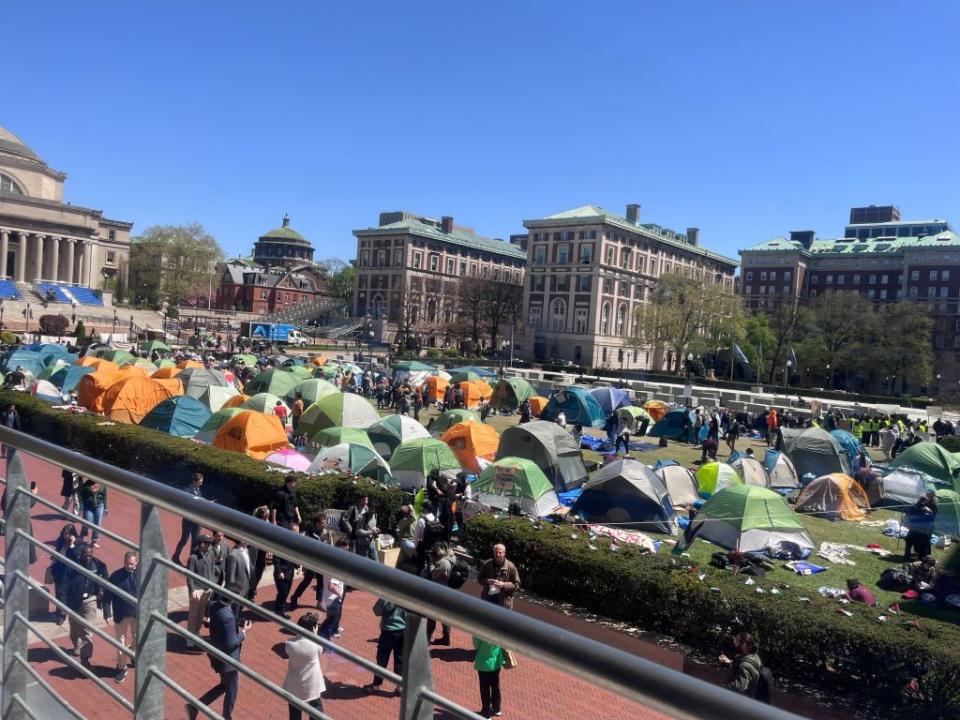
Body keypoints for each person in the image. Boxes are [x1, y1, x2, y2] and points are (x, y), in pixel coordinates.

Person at [187, 594, 251, 720]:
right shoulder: (228, 617)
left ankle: (194, 707)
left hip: (217, 654)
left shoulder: (215, 606)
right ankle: (226, 717)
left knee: (223, 686)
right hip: (229, 660)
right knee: (232, 691)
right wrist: (243, 633)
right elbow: (230, 643)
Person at [65, 542, 108, 665]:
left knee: (87, 631)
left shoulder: (98, 565)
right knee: (74, 630)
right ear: (81, 555)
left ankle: (85, 659)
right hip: (74, 601)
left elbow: (106, 579)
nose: (88, 557)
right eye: (85, 555)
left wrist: (101, 591)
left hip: (90, 601)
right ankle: (77, 645)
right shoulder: (73, 566)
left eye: (90, 555)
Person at [103, 551, 140, 683]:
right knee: (120, 643)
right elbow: (106, 596)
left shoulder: (141, 575)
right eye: (126, 563)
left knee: (138, 639)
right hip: (121, 615)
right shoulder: (115, 576)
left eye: (131, 564)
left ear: (136, 562)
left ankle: (132, 652)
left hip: (137, 615)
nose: (128, 566)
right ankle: (121, 668)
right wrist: (107, 613)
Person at [283, 612, 326, 719]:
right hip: (312, 683)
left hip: (294, 683)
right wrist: (315, 635)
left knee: (294, 712)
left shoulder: (290, 644)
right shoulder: (314, 645)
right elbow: (320, 651)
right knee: (316, 707)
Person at [290, 514, 334, 608]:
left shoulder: (327, 533)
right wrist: (304, 564)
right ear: (317, 524)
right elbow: (305, 549)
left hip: (321, 562)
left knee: (321, 581)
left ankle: (320, 601)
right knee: (307, 580)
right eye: (322, 523)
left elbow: (331, 547)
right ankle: (294, 597)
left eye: (325, 522)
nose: (324, 524)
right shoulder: (309, 533)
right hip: (311, 561)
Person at [364, 598, 405, 695]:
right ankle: (400, 687)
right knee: (400, 659)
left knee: (382, 659)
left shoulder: (388, 594)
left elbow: (376, 611)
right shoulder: (406, 593)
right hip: (403, 630)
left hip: (388, 631)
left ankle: (376, 685)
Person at [186, 535, 217, 650]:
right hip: (197, 590)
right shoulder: (193, 558)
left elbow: (213, 568)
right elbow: (189, 575)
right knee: (193, 615)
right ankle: (189, 640)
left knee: (201, 613)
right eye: (208, 543)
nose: (210, 545)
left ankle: (196, 633)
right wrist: (192, 590)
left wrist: (212, 583)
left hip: (207, 588)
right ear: (202, 544)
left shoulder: (211, 554)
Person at [318, 539, 349, 639]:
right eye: (345, 550)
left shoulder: (332, 560)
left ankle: (333, 629)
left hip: (331, 597)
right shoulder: (335, 564)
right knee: (329, 621)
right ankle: (324, 639)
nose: (346, 552)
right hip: (334, 597)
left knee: (331, 618)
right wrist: (339, 594)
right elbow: (331, 585)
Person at [425, 542, 455, 645]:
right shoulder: (452, 558)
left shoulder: (443, 562)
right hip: (446, 591)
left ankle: (427, 637)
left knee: (431, 615)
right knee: (444, 615)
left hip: (439, 591)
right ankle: (446, 637)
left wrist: (431, 563)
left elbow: (433, 575)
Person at [173, 472, 205, 565]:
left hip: (197, 521)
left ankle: (191, 562)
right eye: (200, 482)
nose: (201, 484)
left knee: (195, 542)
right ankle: (175, 556)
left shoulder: (198, 489)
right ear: (194, 481)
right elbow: (185, 500)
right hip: (188, 520)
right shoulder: (187, 490)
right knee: (184, 540)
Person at [51, 523, 80, 625]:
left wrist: (72, 545)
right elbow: (57, 553)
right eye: (64, 534)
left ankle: (68, 611)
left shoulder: (78, 543)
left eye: (68, 534)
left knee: (69, 594)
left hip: (72, 573)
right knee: (60, 594)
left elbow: (77, 558)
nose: (66, 536)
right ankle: (60, 615)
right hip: (60, 572)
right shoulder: (61, 541)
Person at [720, 632, 763, 697]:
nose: (734, 641)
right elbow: (742, 664)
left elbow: (740, 686)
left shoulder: (745, 665)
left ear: (744, 644)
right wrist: (729, 662)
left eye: (737, 640)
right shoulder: (754, 656)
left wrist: (722, 688)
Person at [473, 635, 507, 718]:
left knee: (484, 689)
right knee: (495, 687)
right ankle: (497, 709)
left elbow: (476, 645)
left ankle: (486, 711)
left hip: (484, 665)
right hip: (496, 663)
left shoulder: (480, 632)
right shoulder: (499, 631)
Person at [479, 544, 520, 609]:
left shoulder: (511, 567)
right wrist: (487, 581)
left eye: (500, 553)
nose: (498, 554)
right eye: (496, 552)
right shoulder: (487, 564)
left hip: (503, 603)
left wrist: (504, 585)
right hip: (486, 599)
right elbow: (479, 579)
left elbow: (517, 585)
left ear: (504, 553)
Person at [273, 522, 300, 618]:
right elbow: (276, 558)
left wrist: (297, 567)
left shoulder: (295, 543)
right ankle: (279, 610)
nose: (297, 534)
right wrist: (279, 571)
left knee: (286, 591)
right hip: (282, 572)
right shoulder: (282, 543)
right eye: (295, 532)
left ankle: (280, 608)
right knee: (283, 592)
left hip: (290, 571)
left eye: (298, 532)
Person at [341, 495, 379, 560]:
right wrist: (351, 530)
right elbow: (344, 519)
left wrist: (374, 531)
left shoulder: (368, 509)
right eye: (364, 500)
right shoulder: (353, 508)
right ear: (360, 500)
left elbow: (368, 524)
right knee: (353, 556)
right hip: (354, 536)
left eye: (367, 500)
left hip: (364, 538)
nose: (365, 502)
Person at [224, 537, 252, 621]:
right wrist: (233, 591)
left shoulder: (247, 551)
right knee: (233, 614)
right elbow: (230, 576)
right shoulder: (233, 555)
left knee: (238, 611)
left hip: (245, 587)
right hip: (236, 590)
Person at [247, 505, 271, 600]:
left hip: (262, 550)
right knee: (252, 570)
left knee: (259, 571)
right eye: (266, 514)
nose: (267, 516)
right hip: (254, 549)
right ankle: (249, 590)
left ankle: (253, 589)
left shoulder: (268, 523)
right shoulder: (255, 522)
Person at [78, 478, 107, 548]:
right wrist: (81, 507)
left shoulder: (103, 484)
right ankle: (83, 532)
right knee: (88, 521)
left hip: (99, 506)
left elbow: (105, 496)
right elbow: (81, 496)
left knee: (97, 524)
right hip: (88, 506)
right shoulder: (86, 484)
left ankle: (94, 541)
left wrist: (105, 508)